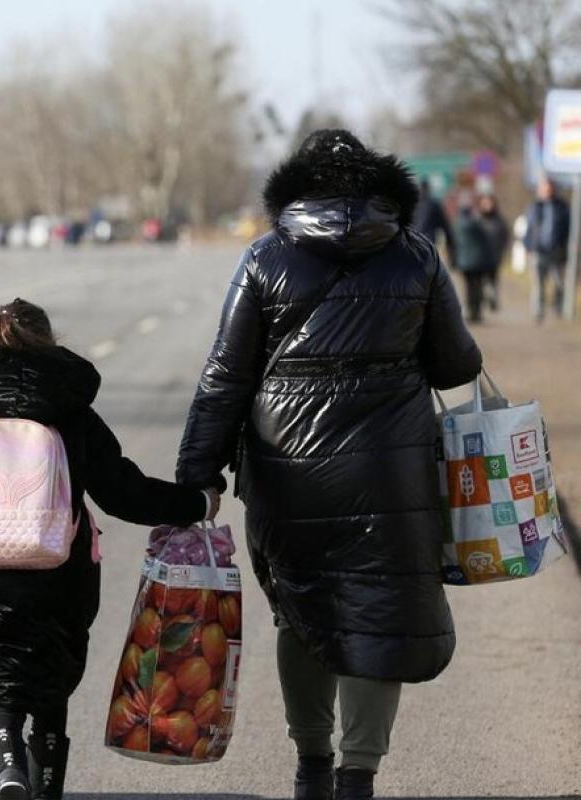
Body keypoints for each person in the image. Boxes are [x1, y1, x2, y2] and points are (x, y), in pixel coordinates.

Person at [175, 130, 481, 800]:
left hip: (288, 471)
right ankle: (357, 775)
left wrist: (197, 478)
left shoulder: (265, 257)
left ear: (297, 186)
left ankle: (312, 765)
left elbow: (224, 377)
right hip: (390, 470)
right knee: (380, 609)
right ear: (378, 184)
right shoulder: (415, 256)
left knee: (302, 609)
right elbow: (458, 364)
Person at [0, 299, 218, 800]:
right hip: (63, 576)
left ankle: (7, 764)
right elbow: (125, 491)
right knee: (51, 682)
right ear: (49, 343)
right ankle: (44, 787)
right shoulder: (75, 418)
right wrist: (198, 502)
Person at [524, 175, 571, 321]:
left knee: (559, 283)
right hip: (538, 250)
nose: (547, 190)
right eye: (544, 188)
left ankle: (559, 307)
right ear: (540, 190)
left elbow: (569, 229)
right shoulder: (534, 206)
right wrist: (527, 246)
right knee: (538, 283)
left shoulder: (562, 207)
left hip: (557, 250)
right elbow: (529, 229)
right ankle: (538, 311)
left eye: (549, 188)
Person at [452, 192, 493, 323]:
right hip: (477, 261)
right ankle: (477, 312)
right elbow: (485, 240)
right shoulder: (475, 223)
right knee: (477, 287)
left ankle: (470, 311)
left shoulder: (456, 224)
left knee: (468, 288)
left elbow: (454, 244)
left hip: (464, 261)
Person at [412, 178, 457, 267]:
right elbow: (445, 226)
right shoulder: (434, 205)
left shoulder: (411, 205)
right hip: (428, 242)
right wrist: (451, 246)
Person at [475, 192, 509, 311]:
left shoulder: (499, 220)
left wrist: (502, 250)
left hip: (494, 255)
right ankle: (481, 299)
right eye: (485, 203)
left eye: (489, 203)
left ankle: (492, 299)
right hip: (480, 256)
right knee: (480, 281)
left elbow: (505, 236)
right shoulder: (477, 219)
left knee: (492, 279)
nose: (488, 206)